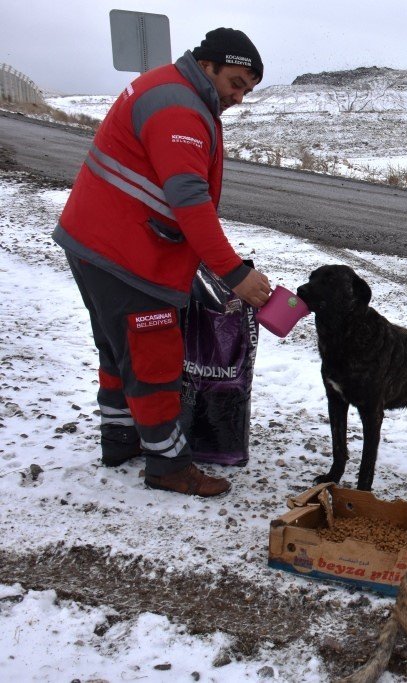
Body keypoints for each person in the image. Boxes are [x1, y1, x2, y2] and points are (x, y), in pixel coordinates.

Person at [52, 28, 273, 497]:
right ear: (208, 65)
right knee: (154, 359)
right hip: (126, 253)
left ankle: (120, 439)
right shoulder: (180, 108)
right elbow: (189, 199)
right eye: (235, 83)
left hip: (97, 242)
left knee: (119, 349)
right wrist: (234, 273)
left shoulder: (171, 89)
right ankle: (168, 464)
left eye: (247, 91)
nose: (238, 97)